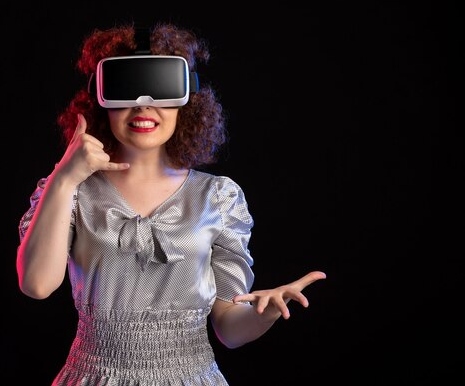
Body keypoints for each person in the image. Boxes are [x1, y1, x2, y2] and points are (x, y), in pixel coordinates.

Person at [16, 21, 326, 385]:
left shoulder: (218, 199)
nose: (143, 106)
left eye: (160, 90)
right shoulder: (72, 192)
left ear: (187, 101)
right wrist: (65, 177)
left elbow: (228, 328)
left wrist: (267, 312)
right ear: (100, 100)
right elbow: (36, 285)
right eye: (127, 90)